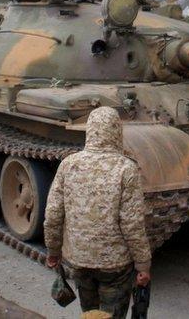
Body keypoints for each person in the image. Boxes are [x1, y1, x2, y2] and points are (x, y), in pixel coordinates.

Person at [44, 106, 152, 319]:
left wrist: (53, 250)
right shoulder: (126, 168)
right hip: (115, 266)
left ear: (90, 131)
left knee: (90, 313)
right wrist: (143, 264)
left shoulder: (69, 164)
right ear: (116, 132)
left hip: (79, 260)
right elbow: (132, 224)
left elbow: (54, 214)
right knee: (112, 315)